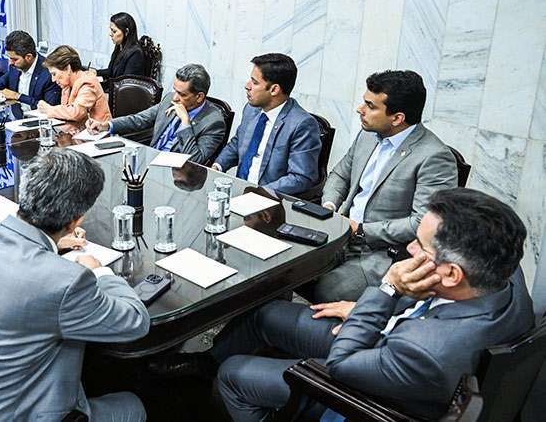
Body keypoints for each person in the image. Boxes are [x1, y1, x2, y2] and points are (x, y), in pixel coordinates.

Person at [153, 189, 534, 422]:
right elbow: (424, 311)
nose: (408, 250)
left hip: (366, 389)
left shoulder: (426, 353)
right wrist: (370, 312)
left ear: (451, 274)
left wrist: (385, 292)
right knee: (263, 313)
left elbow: (341, 365)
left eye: (419, 246)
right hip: (389, 338)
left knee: (235, 373)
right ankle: (204, 362)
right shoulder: (504, 274)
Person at [0, 149, 150, 421]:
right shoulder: (66, 281)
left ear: (25, 194)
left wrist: (51, 243)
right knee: (133, 406)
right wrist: (100, 271)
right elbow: (135, 322)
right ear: (75, 222)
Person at [316, 70, 457, 302]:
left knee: (329, 290)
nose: (360, 109)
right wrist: (329, 206)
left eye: (370, 106)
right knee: (285, 267)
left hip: (384, 253)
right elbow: (340, 175)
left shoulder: (434, 157)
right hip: (341, 233)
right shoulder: (367, 136)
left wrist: (361, 230)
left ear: (397, 118)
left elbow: (422, 223)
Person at [212, 54, 321, 195]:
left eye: (255, 82)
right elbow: (237, 143)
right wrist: (217, 166)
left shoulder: (302, 124)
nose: (247, 86)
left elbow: (300, 177)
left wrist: (259, 192)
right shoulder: (251, 109)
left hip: (269, 200)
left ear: (274, 90)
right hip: (238, 192)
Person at [87, 64, 225, 164]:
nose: (175, 98)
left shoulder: (214, 122)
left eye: (182, 94)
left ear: (199, 97)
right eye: (175, 90)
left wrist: (185, 123)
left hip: (175, 175)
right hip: (149, 160)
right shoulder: (170, 99)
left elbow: (195, 160)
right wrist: (106, 125)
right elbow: (140, 119)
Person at [0, 29, 60, 109]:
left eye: (15, 59)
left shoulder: (49, 73)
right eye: (9, 58)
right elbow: (6, 78)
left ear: (29, 57)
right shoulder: (15, 66)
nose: (10, 62)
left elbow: (49, 108)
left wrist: (18, 96)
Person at [37, 45, 111, 122]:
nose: (53, 80)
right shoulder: (67, 85)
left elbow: (76, 113)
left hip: (97, 129)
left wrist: (50, 109)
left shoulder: (88, 84)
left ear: (67, 69)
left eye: (54, 74)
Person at [94, 12, 147, 84]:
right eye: (111, 30)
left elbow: (126, 83)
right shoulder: (119, 47)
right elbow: (111, 72)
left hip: (122, 90)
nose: (110, 34)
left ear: (126, 31)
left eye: (114, 31)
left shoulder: (135, 54)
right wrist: (95, 72)